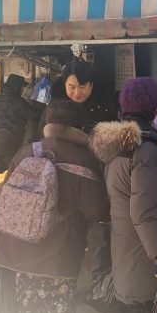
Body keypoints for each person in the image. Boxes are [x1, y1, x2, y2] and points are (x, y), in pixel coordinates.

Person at [0, 100, 110, 313]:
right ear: (80, 128)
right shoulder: (83, 159)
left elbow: (5, 198)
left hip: (18, 253)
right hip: (58, 257)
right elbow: (97, 210)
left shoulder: (26, 152)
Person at [89, 77, 157, 313]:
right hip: (144, 253)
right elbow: (143, 212)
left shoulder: (116, 148)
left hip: (126, 245)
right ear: (151, 112)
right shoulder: (146, 150)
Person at [39, 61, 116, 283]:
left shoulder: (105, 108)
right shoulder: (53, 108)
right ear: (64, 84)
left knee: (102, 233)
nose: (76, 92)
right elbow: (40, 141)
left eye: (82, 87)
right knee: (66, 234)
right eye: (71, 86)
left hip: (96, 180)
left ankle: (100, 284)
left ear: (91, 85)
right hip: (62, 183)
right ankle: (63, 281)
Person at [0, 74, 39, 173]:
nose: (22, 90)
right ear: (17, 87)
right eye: (22, 87)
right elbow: (35, 115)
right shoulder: (17, 101)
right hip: (11, 142)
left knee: (0, 173)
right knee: (13, 172)